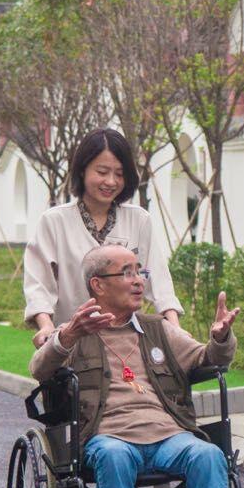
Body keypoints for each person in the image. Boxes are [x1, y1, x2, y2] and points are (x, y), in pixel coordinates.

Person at [30, 243, 242, 488]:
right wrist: (66, 337)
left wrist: (221, 337)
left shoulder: (158, 330)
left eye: (140, 271)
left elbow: (207, 359)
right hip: (107, 439)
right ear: (98, 285)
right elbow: (40, 369)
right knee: (114, 456)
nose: (139, 281)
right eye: (127, 272)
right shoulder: (76, 332)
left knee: (207, 455)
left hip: (168, 436)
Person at [24, 128, 182, 348]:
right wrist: (45, 325)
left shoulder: (139, 220)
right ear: (82, 170)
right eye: (102, 171)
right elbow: (38, 283)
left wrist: (174, 326)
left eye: (119, 174)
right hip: (72, 344)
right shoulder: (54, 222)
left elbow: (157, 278)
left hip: (127, 344)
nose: (110, 181)